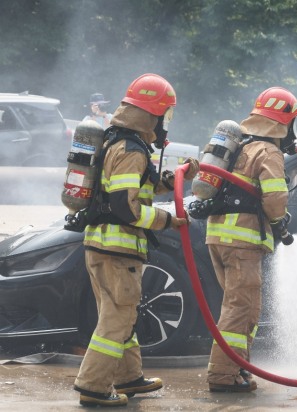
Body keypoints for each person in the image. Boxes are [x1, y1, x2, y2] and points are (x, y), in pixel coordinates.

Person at [73, 73, 199, 407]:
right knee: (117, 319)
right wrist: (168, 220)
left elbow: (131, 187)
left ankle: (129, 377)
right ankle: (93, 386)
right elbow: (125, 208)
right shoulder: (132, 150)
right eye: (164, 115)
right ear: (152, 115)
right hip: (119, 250)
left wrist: (173, 179)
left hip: (98, 245)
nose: (165, 123)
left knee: (120, 314)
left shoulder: (118, 143)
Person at [203, 87, 297, 392]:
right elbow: (275, 199)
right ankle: (223, 376)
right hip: (242, 244)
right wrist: (279, 221)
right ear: (283, 122)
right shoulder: (267, 152)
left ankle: (237, 368)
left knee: (239, 307)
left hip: (218, 238)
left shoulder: (241, 147)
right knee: (240, 310)